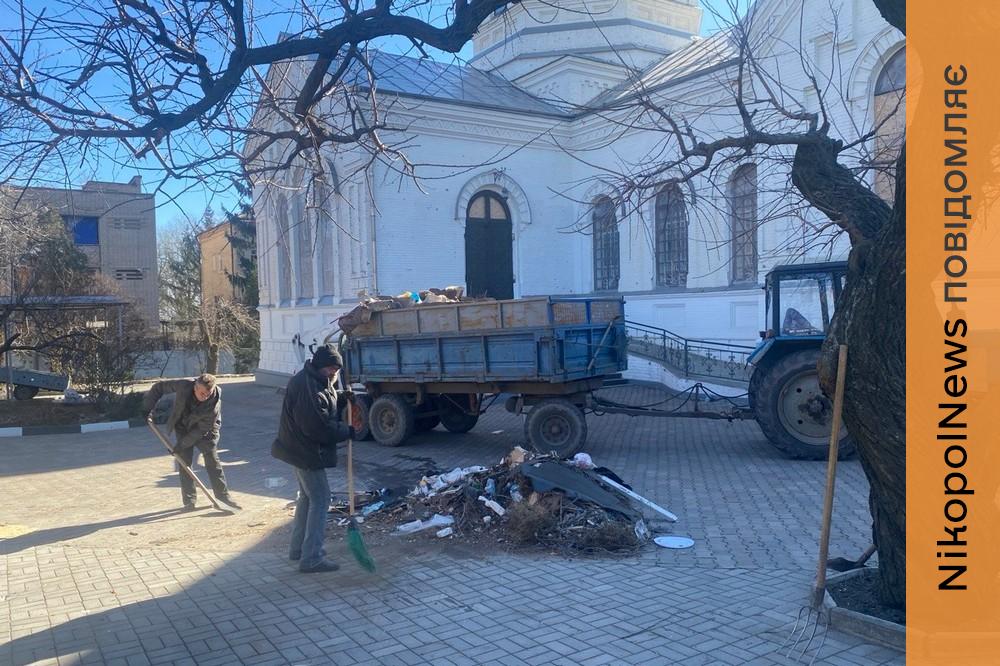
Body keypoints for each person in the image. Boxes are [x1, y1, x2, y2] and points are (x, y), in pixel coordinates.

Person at [272, 344, 355, 573]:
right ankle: (312, 558)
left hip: (297, 450)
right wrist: (346, 431)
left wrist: (341, 397)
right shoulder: (308, 387)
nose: (333, 373)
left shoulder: (315, 380)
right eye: (330, 369)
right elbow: (317, 427)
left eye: (336, 369)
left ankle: (298, 549)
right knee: (321, 498)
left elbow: (324, 402)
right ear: (319, 366)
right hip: (306, 452)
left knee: (308, 498)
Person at [143, 373, 242, 511]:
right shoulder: (184, 385)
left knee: (212, 462)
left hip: (206, 431)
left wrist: (180, 445)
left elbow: (200, 430)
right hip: (183, 425)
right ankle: (189, 501)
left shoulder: (214, 404)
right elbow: (159, 387)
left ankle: (223, 497)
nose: (205, 397)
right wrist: (147, 408)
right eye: (202, 393)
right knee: (184, 462)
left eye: (208, 394)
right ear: (195, 387)